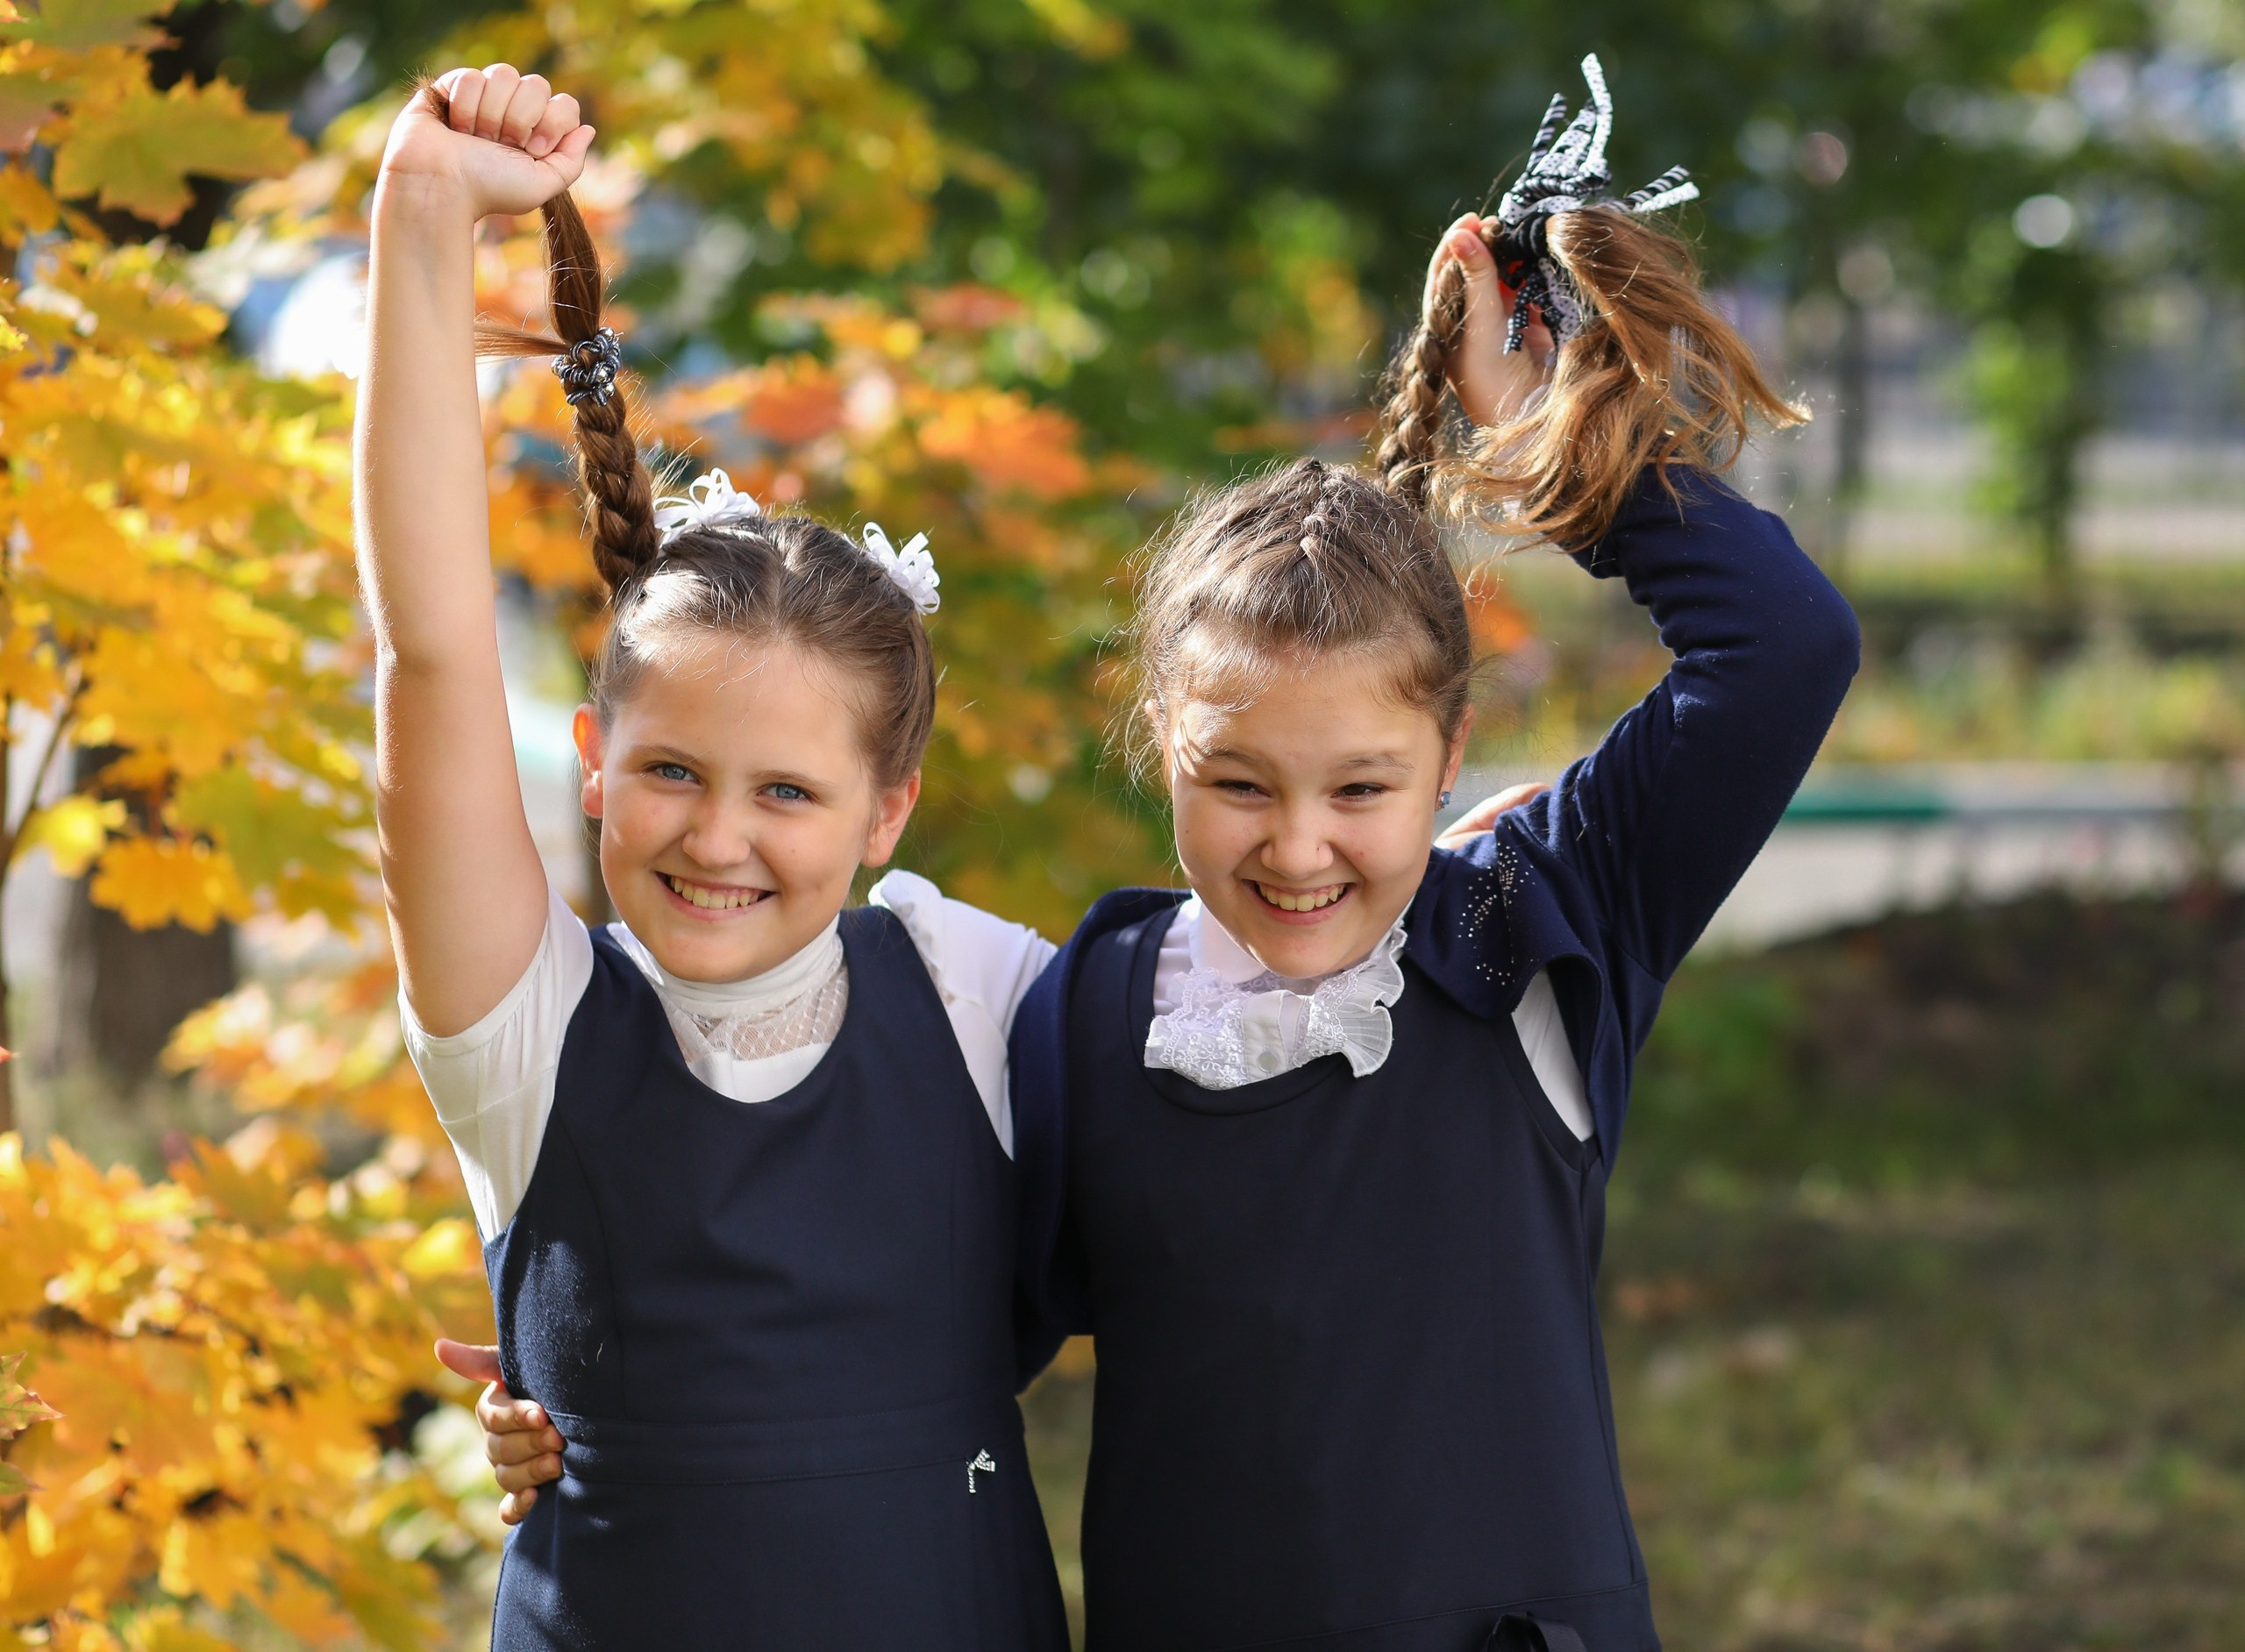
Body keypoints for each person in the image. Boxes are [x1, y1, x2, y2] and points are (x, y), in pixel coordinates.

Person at [473, 53, 1851, 1652]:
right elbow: (912, 1322)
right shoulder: (1093, 1013)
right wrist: (575, 1384)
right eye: (1241, 784)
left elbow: (1784, 646)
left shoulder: (1543, 921)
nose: (1302, 847)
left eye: (1364, 790)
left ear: (1453, 759)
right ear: (1161, 751)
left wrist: (1548, 437)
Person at [361, 63, 1073, 1648]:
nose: (720, 836)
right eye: (673, 770)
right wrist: (419, 221)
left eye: (791, 796)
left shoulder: (975, 989)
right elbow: (429, 649)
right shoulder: (526, 1035)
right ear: (597, 766)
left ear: (887, 812)